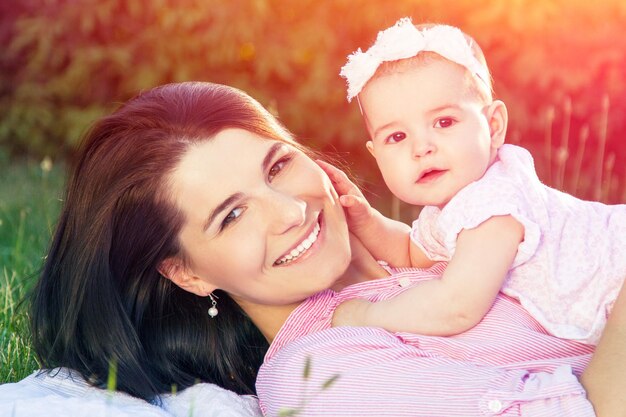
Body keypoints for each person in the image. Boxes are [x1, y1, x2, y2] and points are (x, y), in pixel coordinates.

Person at [7, 81, 623, 417]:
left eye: (279, 165)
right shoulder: (314, 377)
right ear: (187, 273)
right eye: (234, 215)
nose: (293, 210)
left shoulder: (441, 237)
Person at [329, 18, 626, 345]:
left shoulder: (493, 205)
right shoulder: (454, 206)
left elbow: (456, 305)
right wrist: (367, 221)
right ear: (376, 155)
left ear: (494, 126)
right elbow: (413, 253)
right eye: (397, 136)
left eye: (443, 122)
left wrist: (368, 316)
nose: (421, 147)